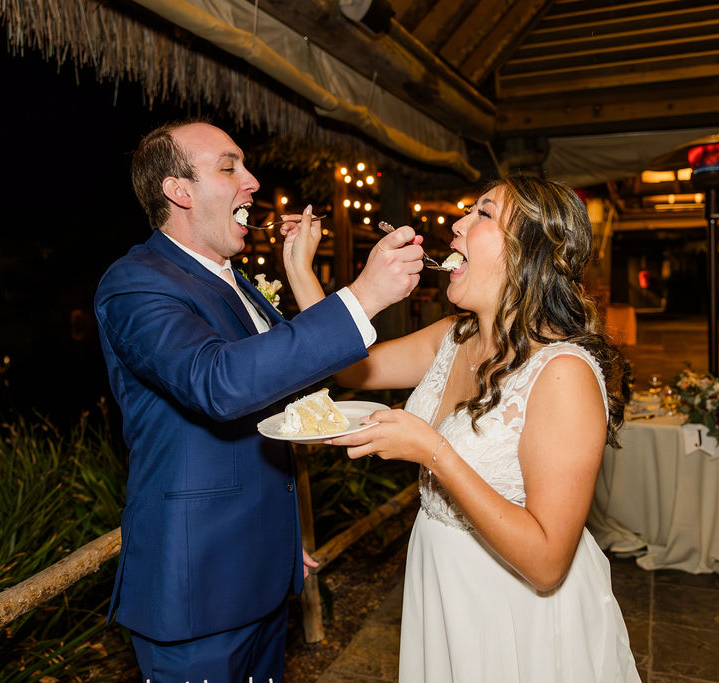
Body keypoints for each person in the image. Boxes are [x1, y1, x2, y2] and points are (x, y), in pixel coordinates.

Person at [94, 120, 425, 682]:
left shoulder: (237, 282)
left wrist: (274, 538)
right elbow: (218, 385)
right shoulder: (136, 283)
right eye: (229, 167)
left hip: (262, 572)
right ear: (179, 191)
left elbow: (276, 395)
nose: (251, 181)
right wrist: (363, 296)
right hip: (198, 588)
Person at [284, 175, 640, 680]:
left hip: (516, 609)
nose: (457, 223)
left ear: (530, 253)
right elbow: (347, 366)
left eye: (484, 214)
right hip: (441, 582)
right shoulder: (451, 338)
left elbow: (545, 564)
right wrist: (300, 267)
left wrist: (434, 453)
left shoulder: (563, 373)